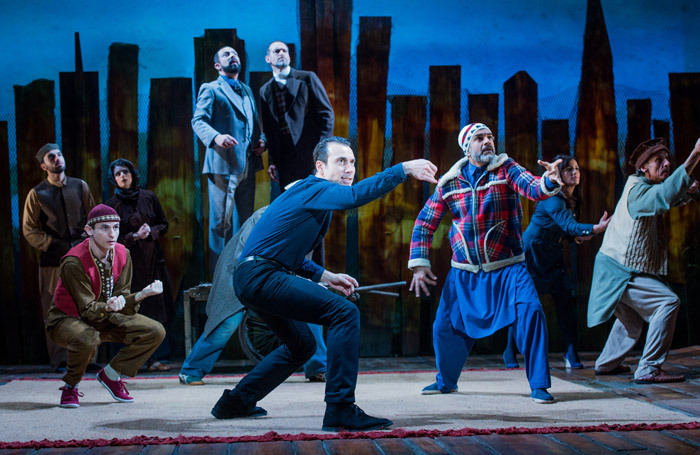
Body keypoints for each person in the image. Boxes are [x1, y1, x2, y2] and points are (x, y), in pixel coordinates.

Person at [210, 136, 437, 432]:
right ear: (320, 166)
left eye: (352, 162)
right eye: (341, 161)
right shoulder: (314, 188)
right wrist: (402, 169)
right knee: (344, 313)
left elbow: (288, 254)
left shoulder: (316, 197)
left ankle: (236, 402)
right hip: (261, 276)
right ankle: (341, 409)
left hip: (257, 276)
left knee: (301, 345)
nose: (349, 168)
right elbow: (355, 196)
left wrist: (326, 276)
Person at [409, 123, 563, 404]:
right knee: (444, 327)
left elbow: (532, 188)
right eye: (480, 138)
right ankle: (446, 382)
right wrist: (419, 264)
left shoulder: (507, 169)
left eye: (490, 137)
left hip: (508, 267)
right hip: (464, 272)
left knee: (531, 311)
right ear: (466, 148)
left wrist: (549, 181)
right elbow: (424, 223)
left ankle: (539, 384)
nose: (488, 142)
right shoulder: (449, 183)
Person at [588, 137, 700, 384]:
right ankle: (649, 367)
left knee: (631, 319)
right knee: (668, 302)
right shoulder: (638, 193)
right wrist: (694, 155)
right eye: (658, 161)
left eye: (667, 159)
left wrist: (690, 192)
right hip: (620, 272)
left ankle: (606, 364)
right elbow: (665, 195)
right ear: (643, 168)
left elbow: (671, 193)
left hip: (616, 268)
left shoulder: (645, 187)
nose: (666, 164)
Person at [178, 206, 328, 385]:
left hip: (278, 274)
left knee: (307, 307)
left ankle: (318, 368)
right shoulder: (266, 215)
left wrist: (307, 281)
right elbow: (244, 253)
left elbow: (301, 260)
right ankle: (191, 371)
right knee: (227, 321)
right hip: (239, 270)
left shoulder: (309, 222)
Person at [45, 204, 166, 408]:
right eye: (104, 228)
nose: (112, 234)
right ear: (89, 230)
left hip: (103, 315)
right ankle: (70, 387)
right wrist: (109, 308)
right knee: (87, 337)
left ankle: (111, 374)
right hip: (67, 318)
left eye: (116, 227)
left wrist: (142, 295)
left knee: (154, 331)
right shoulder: (74, 261)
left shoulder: (122, 253)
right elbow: (86, 308)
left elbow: (122, 298)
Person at [502, 155, 610, 370]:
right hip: (531, 255)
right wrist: (595, 229)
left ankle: (571, 354)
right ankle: (509, 351)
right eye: (568, 169)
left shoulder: (569, 198)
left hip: (552, 255)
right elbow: (568, 225)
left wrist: (578, 236)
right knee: (523, 304)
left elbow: (564, 229)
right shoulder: (553, 198)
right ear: (558, 175)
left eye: (576, 168)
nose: (574, 172)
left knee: (566, 303)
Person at [22, 143, 96, 372]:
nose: (57, 159)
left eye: (59, 154)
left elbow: (93, 216)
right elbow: (29, 230)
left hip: (83, 258)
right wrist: (54, 245)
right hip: (54, 261)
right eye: (51, 157)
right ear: (44, 165)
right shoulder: (37, 194)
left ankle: (88, 358)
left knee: (88, 306)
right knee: (56, 310)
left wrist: (85, 240)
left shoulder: (79, 186)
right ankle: (60, 360)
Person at [192, 45, 266, 270]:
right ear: (217, 65)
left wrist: (260, 140)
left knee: (246, 222)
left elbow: (252, 122)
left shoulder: (246, 89)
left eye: (234, 54)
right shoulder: (211, 88)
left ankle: (242, 270)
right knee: (220, 224)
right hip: (223, 164)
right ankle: (218, 276)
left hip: (247, 165)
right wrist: (216, 137)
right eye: (226, 54)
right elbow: (198, 121)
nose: (232, 56)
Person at [105, 158, 174, 371]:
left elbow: (163, 224)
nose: (122, 177)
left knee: (156, 307)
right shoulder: (111, 205)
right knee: (131, 308)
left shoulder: (148, 197)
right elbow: (110, 237)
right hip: (128, 265)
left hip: (152, 261)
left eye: (125, 172)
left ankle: (156, 358)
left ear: (133, 174)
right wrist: (134, 235)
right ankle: (133, 358)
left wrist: (151, 232)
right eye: (118, 174)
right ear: (113, 179)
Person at [259, 41, 334, 190]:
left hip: (310, 152)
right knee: (291, 202)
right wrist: (273, 161)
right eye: (276, 51)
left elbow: (327, 115)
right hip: (284, 158)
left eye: (284, 51)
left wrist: (321, 151)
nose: (281, 53)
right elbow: (269, 129)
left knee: (315, 195)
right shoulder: (265, 90)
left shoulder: (307, 78)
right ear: (268, 59)